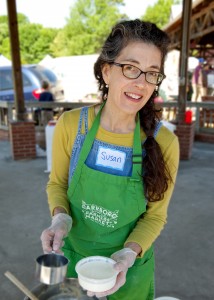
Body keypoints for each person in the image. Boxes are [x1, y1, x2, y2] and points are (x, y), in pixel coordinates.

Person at [40, 19, 179, 299]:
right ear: (107, 71)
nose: (140, 83)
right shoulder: (71, 125)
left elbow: (155, 216)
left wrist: (129, 253)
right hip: (74, 260)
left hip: (129, 269)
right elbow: (57, 184)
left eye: (152, 73)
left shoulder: (164, 142)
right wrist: (60, 219)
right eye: (130, 68)